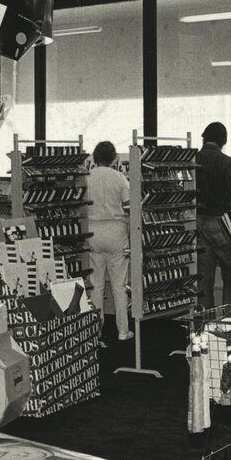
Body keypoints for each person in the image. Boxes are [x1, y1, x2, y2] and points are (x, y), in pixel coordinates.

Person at [195, 122, 231, 308]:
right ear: (223, 140)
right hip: (223, 224)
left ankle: (205, 326)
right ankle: (229, 323)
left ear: (204, 138)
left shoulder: (191, 160)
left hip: (197, 223)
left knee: (204, 280)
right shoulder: (226, 162)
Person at [85, 141, 132, 340]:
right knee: (119, 285)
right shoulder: (120, 178)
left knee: (96, 284)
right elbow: (129, 207)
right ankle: (123, 331)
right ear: (114, 158)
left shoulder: (86, 178)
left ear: (94, 158)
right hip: (116, 231)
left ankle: (96, 331)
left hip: (92, 230)